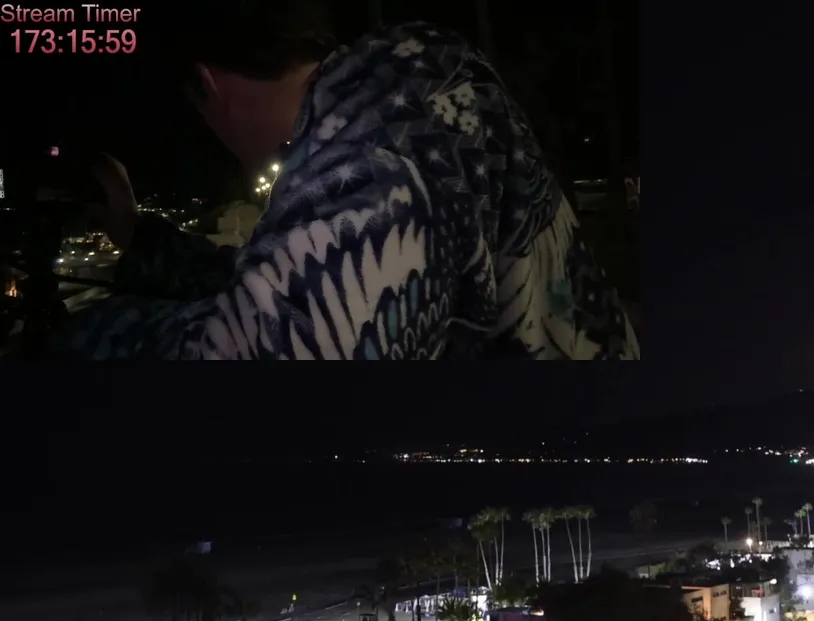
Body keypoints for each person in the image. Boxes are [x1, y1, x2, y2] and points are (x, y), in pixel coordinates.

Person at [59, 0, 639, 360]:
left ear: (208, 85)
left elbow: (259, 344)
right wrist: (136, 235)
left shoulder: (363, 154)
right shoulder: (422, 60)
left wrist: (73, 335)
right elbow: (281, 279)